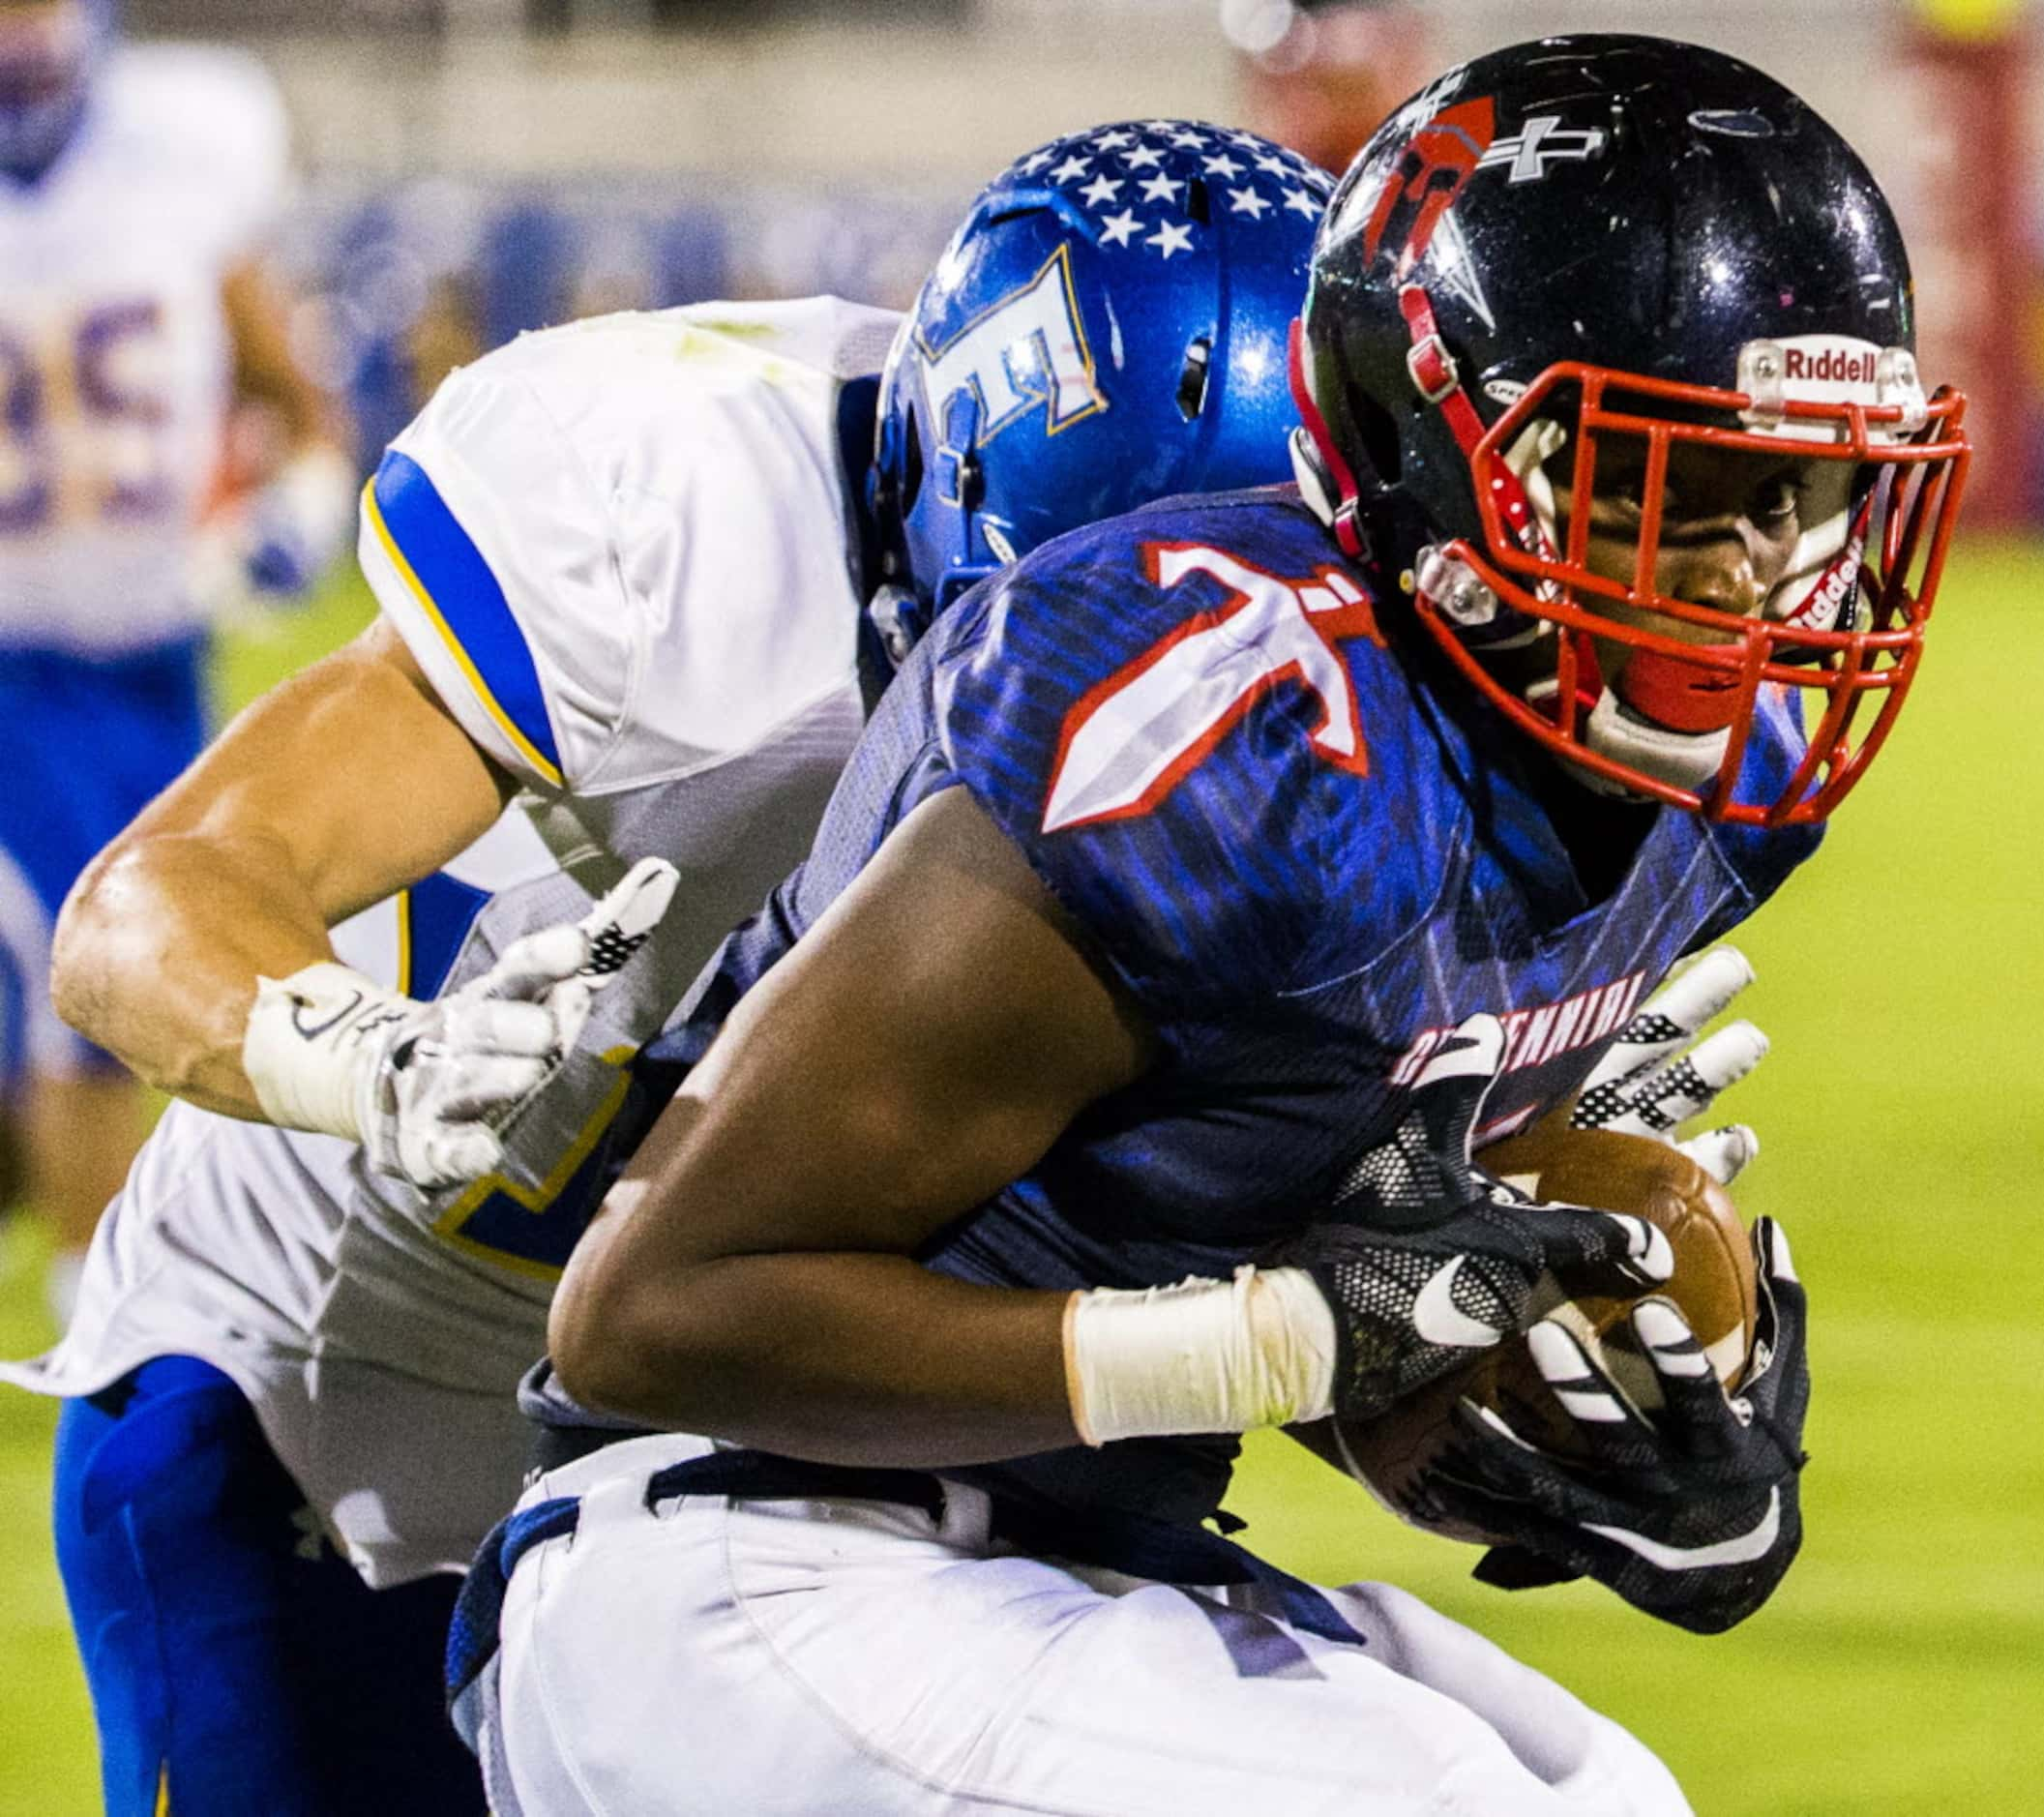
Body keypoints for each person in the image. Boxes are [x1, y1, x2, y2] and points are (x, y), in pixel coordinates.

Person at [458, 37, 1973, 1816]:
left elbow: (1285, 1221)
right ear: (1442, 439)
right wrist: (1277, 1344)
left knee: (1613, 1795)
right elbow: (649, 1313)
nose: (1751, 577)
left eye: (1795, 493)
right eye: (1670, 489)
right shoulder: (1229, 726)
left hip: (1074, 1546)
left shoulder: (1733, 773)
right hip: (740, 1552)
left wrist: (1616, 1434)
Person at [4, 121, 1329, 1814]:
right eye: (1091, 637)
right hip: (334, 1397)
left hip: (779, 1440)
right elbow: (148, 903)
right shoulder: (676, 505)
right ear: (958, 499)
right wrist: (368, 1058)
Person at [0, 0, 352, 1322]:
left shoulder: (182, 146)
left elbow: (295, 402)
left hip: (151, 658)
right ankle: (104, 1309)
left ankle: (110, 1285)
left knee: (134, 961)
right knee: (68, 974)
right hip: (10, 660)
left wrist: (292, 518)